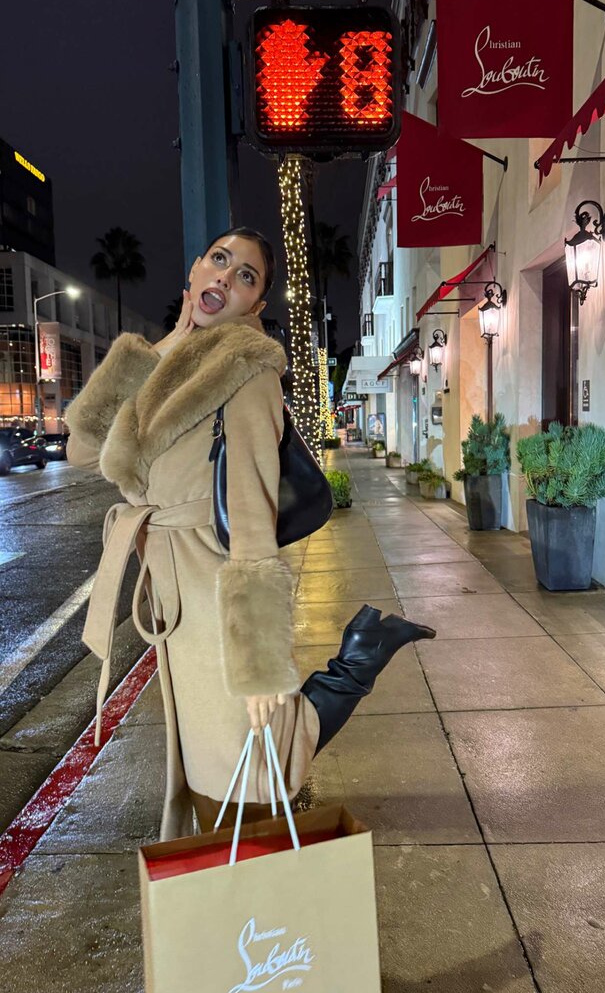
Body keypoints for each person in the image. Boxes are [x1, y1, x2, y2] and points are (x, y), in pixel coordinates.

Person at [66, 227, 435, 840]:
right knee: (219, 758)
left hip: (216, 589)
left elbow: (251, 508)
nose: (226, 276)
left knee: (244, 763)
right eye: (219, 260)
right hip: (173, 593)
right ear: (194, 270)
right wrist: (158, 348)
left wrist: (261, 664)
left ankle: (356, 664)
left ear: (255, 304)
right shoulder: (158, 365)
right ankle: (362, 652)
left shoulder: (247, 368)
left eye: (246, 276)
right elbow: (82, 450)